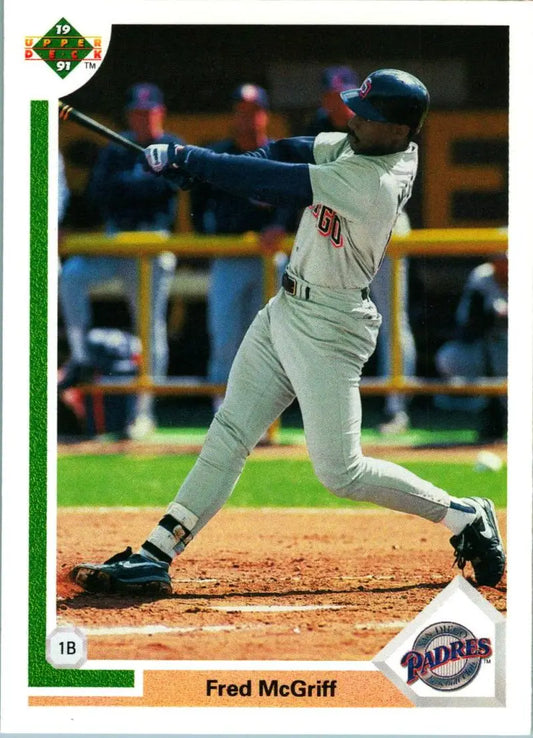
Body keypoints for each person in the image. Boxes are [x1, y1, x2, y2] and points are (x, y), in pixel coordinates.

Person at [71, 69, 505, 597]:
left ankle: (464, 515)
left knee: (341, 473)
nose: (352, 120)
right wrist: (200, 171)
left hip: (330, 326)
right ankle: (155, 555)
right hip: (287, 308)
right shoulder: (358, 144)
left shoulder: (375, 180)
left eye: (365, 115)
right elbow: (283, 151)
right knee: (230, 430)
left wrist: (188, 159)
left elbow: (275, 184)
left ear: (397, 129)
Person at [58, 83, 184, 440]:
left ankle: (145, 409)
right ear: (129, 116)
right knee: (73, 275)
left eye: (149, 112)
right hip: (117, 239)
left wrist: (131, 185)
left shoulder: (172, 145)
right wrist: (136, 182)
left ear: (160, 113)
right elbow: (102, 193)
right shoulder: (116, 148)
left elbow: (163, 192)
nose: (143, 119)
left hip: (152, 240)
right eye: (137, 113)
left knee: (149, 327)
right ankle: (82, 355)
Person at [306, 66, 417, 435]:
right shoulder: (320, 126)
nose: (340, 104)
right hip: (337, 226)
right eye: (332, 96)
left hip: (381, 229)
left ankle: (396, 405)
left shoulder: (383, 121)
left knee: (390, 317)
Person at [190, 83, 294, 413]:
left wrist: (281, 224)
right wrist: (210, 238)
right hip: (230, 256)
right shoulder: (220, 155)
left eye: (254, 112)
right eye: (241, 112)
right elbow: (197, 202)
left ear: (265, 115)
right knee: (224, 339)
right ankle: (223, 411)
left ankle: (265, 416)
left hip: (269, 258)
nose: (248, 119)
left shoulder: (280, 155)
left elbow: (297, 198)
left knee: (269, 341)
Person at [436, 256, 508, 441]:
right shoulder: (482, 277)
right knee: (450, 357)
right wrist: (492, 315)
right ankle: (483, 405)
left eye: (507, 258)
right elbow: (468, 328)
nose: (504, 263)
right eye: (500, 258)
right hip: (490, 347)